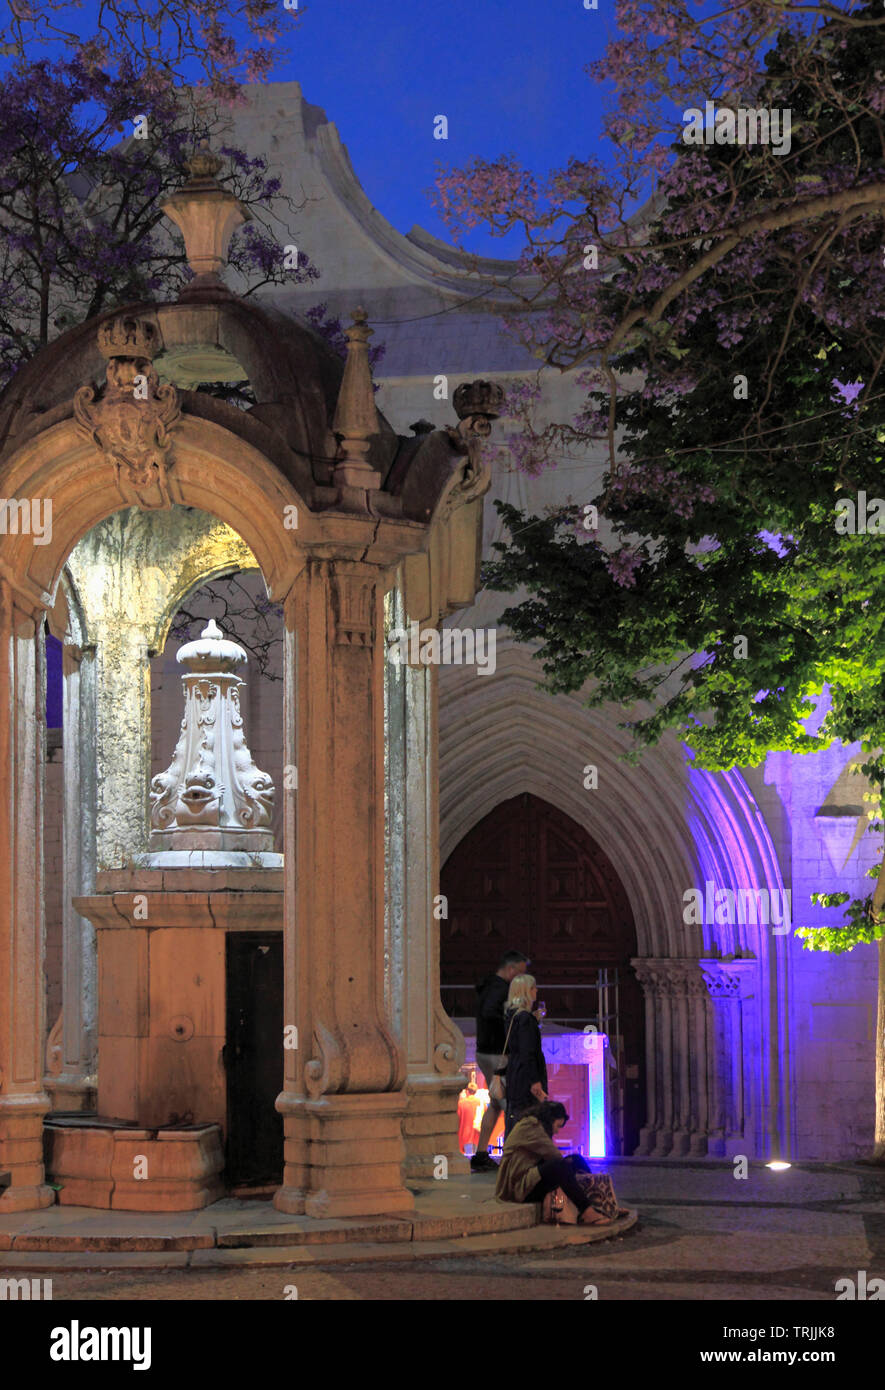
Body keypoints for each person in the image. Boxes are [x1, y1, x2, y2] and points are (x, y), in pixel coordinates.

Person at [495, 1100, 620, 1226]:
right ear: (550, 1120)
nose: (557, 1131)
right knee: (560, 1166)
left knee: (576, 1160)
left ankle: (600, 1204)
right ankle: (587, 1211)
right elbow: (555, 1156)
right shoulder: (531, 1126)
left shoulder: (535, 1125)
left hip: (529, 1180)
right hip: (519, 1188)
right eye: (558, 1126)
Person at [471, 948, 528, 1171]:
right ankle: (513, 1158)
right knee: (509, 1104)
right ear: (510, 968)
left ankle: (481, 1153)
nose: (520, 979)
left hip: (485, 1050)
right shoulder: (500, 988)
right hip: (497, 1053)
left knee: (495, 1104)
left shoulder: (488, 985)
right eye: (519, 973)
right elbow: (490, 1013)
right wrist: (512, 1018)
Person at [501, 973, 548, 1137]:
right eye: (533, 987)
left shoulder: (513, 1015)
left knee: (516, 1118)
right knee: (529, 1120)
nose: (537, 990)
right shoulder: (525, 1019)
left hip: (515, 1073)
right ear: (526, 991)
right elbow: (528, 1052)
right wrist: (535, 1081)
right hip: (526, 1077)